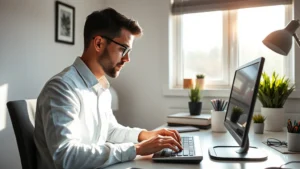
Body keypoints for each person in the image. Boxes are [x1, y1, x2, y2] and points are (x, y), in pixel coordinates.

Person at [34, 7, 183, 169]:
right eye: (123, 49)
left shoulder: (102, 88)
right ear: (98, 43)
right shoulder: (61, 88)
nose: (127, 59)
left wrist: (144, 135)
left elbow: (109, 131)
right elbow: (66, 157)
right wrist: (137, 149)